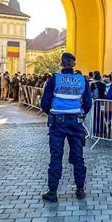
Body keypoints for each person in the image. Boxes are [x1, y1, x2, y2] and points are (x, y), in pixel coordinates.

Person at [40, 53, 92, 202]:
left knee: (56, 157)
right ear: (74, 64)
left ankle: (53, 192)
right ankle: (80, 190)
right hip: (76, 122)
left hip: (58, 122)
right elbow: (88, 103)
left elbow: (45, 103)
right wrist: (80, 113)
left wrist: (52, 112)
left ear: (62, 63)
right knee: (78, 157)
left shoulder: (54, 79)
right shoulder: (82, 80)